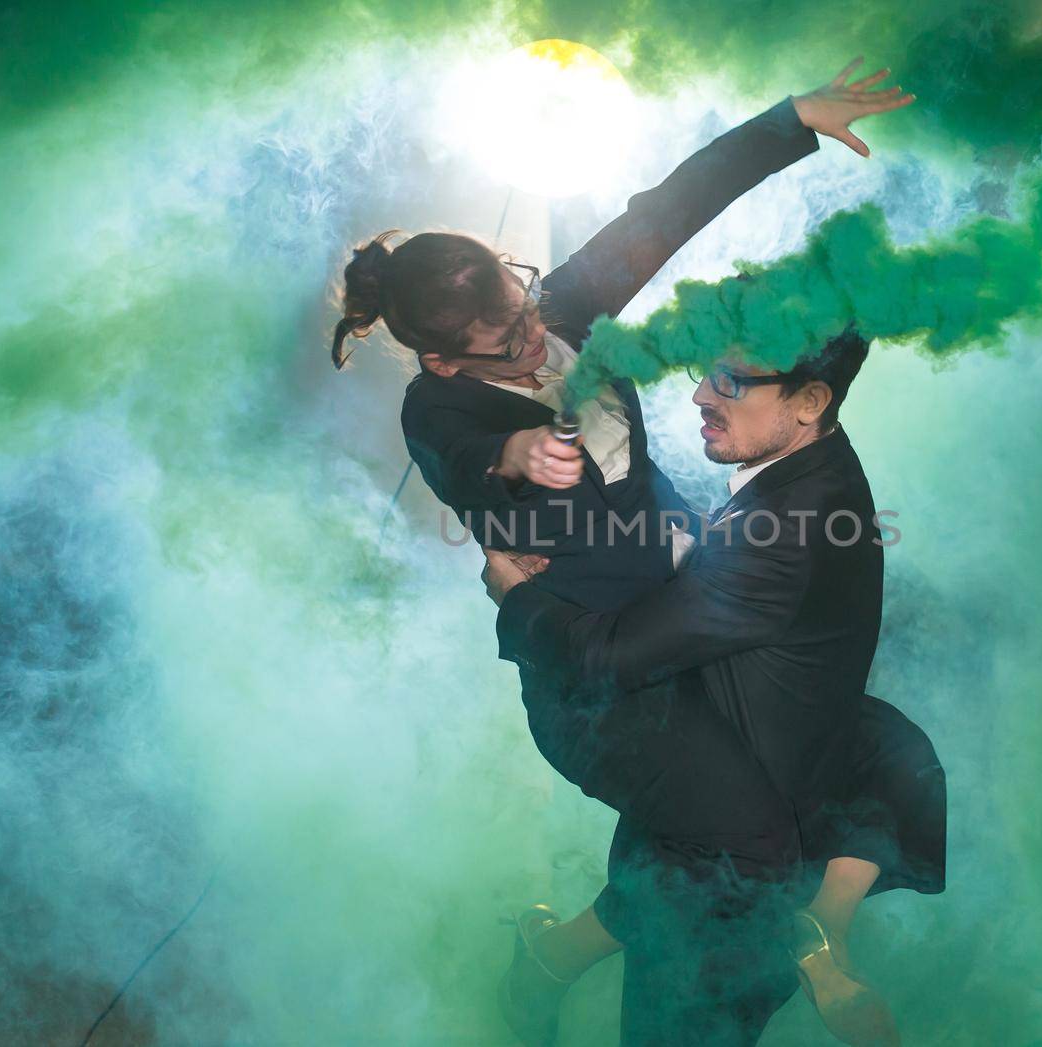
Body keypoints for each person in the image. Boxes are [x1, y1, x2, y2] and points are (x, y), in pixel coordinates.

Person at [331, 60, 937, 1046]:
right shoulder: (437, 406)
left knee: (790, 771)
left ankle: (557, 954)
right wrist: (511, 453)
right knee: (747, 833)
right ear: (446, 360)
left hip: (673, 619)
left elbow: (665, 213)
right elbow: (457, 461)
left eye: (528, 311)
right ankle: (807, 952)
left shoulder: (559, 318)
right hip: (592, 681)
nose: (534, 341)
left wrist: (790, 121)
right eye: (505, 342)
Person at [486, 331, 945, 1046]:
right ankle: (558, 956)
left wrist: (516, 598)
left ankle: (553, 957)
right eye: (708, 373)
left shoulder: (786, 530)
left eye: (731, 382)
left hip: (728, 854)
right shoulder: (808, 463)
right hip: (724, 803)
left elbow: (610, 656)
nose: (701, 393)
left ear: (811, 400)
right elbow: (706, 548)